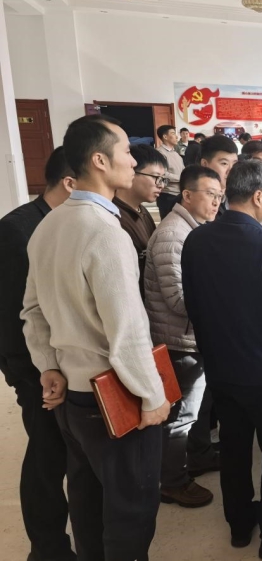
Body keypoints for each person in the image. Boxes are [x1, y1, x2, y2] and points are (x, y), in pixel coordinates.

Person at [21, 114, 170, 561]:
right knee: (130, 514)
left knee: (87, 504)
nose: (134, 161)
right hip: (115, 399)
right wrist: (152, 394)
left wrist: (49, 365)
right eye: (126, 151)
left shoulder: (49, 223)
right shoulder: (105, 232)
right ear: (100, 161)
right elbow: (126, 330)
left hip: (74, 399)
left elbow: (32, 311)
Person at [182, 161, 262, 559]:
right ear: (258, 196)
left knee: (234, 449)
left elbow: (193, 305)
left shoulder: (196, 241)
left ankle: (239, 525)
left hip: (221, 369)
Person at [0, 148, 77, 561]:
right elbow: (14, 314)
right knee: (46, 458)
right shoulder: (18, 230)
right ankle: (47, 550)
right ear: (70, 183)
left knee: (61, 452)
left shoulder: (62, 224)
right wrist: (33, 374)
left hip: (60, 364)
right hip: (35, 370)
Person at [145, 166, 223, 510]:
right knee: (180, 417)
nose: (216, 202)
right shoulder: (174, 236)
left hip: (192, 335)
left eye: (219, 196)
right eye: (210, 194)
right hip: (179, 340)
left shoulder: (192, 229)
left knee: (199, 406)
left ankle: (200, 455)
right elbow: (178, 300)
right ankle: (173, 483)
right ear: (187, 195)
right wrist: (226, 299)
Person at [113, 144, 168, 297]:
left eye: (163, 179)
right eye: (156, 177)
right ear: (131, 171)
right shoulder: (115, 217)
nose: (161, 185)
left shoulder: (142, 211)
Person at [200, 134, 238, 219]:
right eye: (224, 163)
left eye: (235, 164)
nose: (231, 170)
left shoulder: (237, 197)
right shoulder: (197, 202)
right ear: (204, 164)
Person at [156, 124, 185, 218]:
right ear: (165, 137)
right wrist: (182, 178)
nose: (177, 137)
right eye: (173, 133)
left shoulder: (176, 154)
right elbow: (162, 173)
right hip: (167, 194)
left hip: (179, 193)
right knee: (168, 221)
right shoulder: (159, 153)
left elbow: (183, 171)